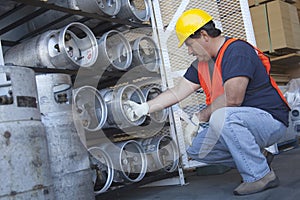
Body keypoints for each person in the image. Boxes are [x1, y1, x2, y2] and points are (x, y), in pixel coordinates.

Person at [124, 8, 290, 195]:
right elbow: (178, 92)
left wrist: (199, 117)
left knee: (222, 117)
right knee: (198, 149)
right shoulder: (201, 64)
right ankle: (259, 158)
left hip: (270, 120)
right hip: (238, 122)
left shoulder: (237, 51)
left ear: (203, 35)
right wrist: (144, 108)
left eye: (189, 44)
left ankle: (260, 176)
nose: (189, 51)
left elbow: (233, 99)